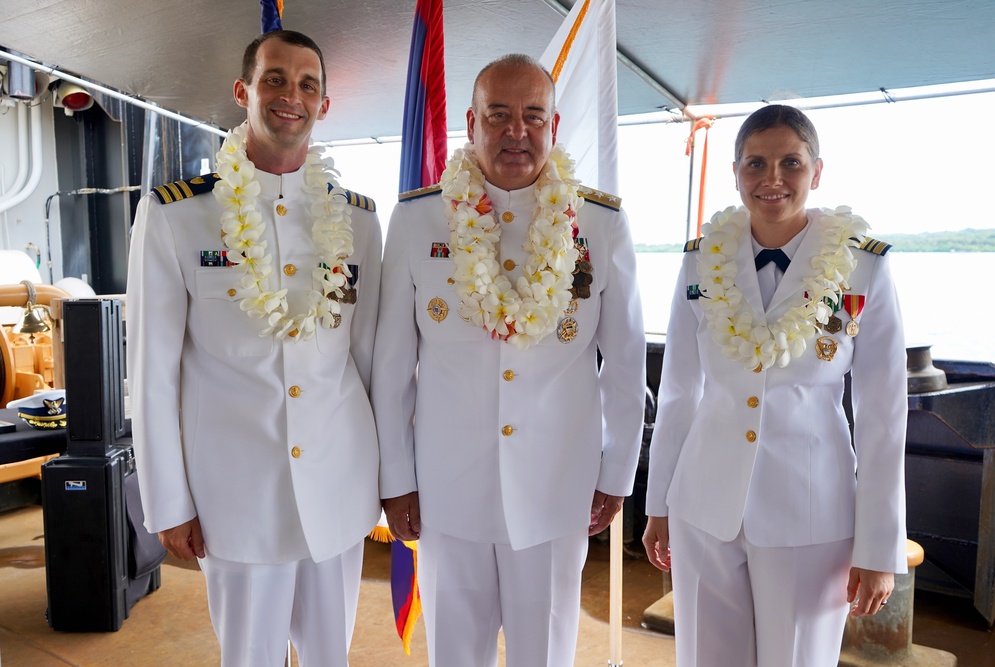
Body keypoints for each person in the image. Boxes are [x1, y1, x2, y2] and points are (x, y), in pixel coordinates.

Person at [373, 54, 646, 666]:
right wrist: (396, 479)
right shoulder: (419, 219)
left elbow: (626, 363)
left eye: (533, 116)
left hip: (556, 488)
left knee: (545, 656)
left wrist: (617, 472)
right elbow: (392, 366)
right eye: (498, 115)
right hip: (448, 490)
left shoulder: (600, 224)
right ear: (471, 122)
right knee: (454, 656)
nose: (515, 131)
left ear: (554, 125)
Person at [126, 29, 381, 667]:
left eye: (307, 84)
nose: (290, 96)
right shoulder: (176, 215)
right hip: (234, 495)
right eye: (274, 78)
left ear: (324, 103)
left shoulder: (359, 219)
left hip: (338, 485)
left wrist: (387, 481)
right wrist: (168, 500)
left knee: (331, 658)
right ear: (243, 91)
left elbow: (373, 360)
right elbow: (152, 375)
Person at [642, 104, 907, 666]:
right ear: (736, 172)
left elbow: (883, 415)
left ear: (817, 171)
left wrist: (880, 545)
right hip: (702, 504)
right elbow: (678, 392)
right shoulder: (701, 264)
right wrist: (659, 501)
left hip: (809, 509)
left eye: (791, 162)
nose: (773, 179)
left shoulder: (863, 269)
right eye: (756, 164)